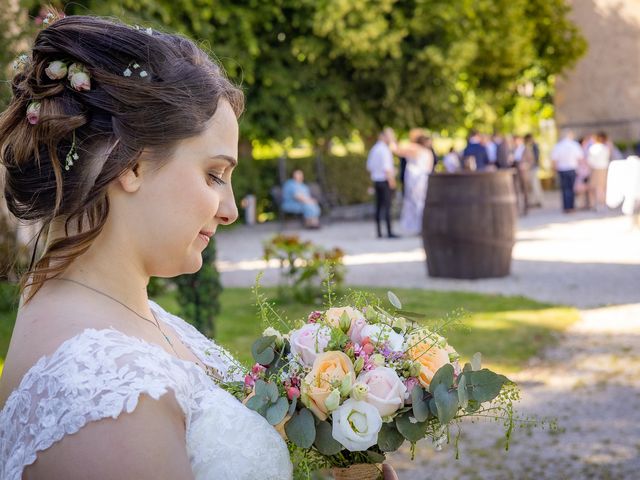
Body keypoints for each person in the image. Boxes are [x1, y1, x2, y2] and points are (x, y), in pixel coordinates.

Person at [0, 15, 292, 480]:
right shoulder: (107, 394)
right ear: (132, 166)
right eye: (214, 174)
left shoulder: (110, 311)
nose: (230, 210)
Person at [390, 134, 433, 235]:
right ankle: (421, 226)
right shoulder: (428, 152)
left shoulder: (416, 149)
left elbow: (396, 150)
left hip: (416, 180)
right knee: (420, 202)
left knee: (416, 202)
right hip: (422, 179)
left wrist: (391, 140)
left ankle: (418, 226)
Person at [367, 129, 398, 238]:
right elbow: (387, 169)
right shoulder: (384, 150)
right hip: (384, 181)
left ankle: (379, 232)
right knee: (387, 207)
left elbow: (369, 166)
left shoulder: (374, 149)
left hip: (377, 181)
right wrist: (392, 182)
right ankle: (389, 232)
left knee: (379, 207)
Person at [551, 130, 584, 212]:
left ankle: (566, 207)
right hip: (572, 169)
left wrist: (554, 170)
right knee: (572, 188)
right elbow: (580, 158)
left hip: (562, 169)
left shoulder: (558, 146)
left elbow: (554, 160)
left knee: (565, 189)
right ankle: (572, 207)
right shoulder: (574, 145)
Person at [587, 131, 611, 211]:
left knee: (597, 188)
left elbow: (590, 161)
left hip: (596, 169)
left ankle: (598, 205)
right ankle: (603, 204)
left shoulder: (593, 148)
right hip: (604, 168)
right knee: (603, 188)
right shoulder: (605, 148)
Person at [524, 134, 543, 207]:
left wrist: (530, 165)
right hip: (533, 167)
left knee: (535, 184)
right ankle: (537, 200)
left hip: (533, 167)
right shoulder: (534, 145)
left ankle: (538, 200)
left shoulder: (534, 146)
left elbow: (535, 158)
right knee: (535, 184)